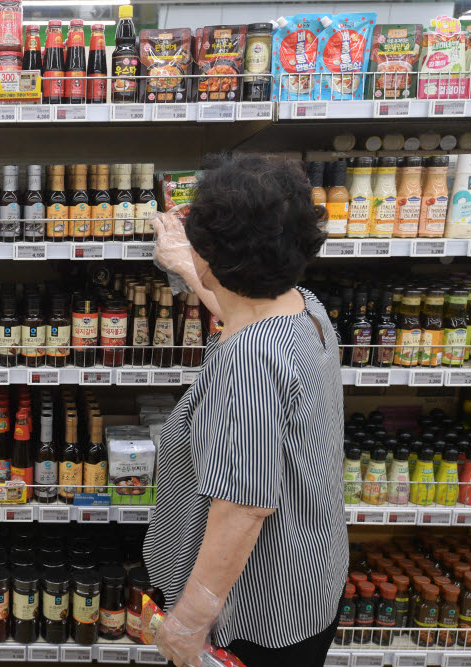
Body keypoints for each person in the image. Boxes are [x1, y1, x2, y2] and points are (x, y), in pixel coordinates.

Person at [145, 153, 348, 667]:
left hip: (252, 617)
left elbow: (242, 508)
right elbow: (240, 307)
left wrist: (190, 624)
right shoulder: (304, 306)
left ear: (213, 253)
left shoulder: (248, 363)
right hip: (309, 587)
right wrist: (188, 264)